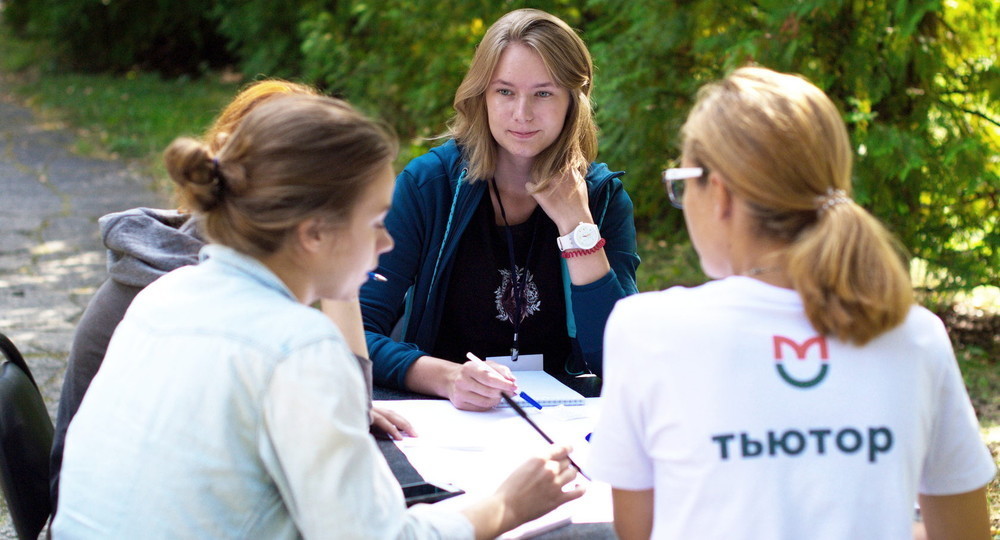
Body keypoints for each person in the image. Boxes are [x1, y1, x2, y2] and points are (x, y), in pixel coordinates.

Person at [53, 94, 585, 538]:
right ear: (313, 234)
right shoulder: (297, 347)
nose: (387, 241)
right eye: (375, 222)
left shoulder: (168, 294)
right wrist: (507, 505)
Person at [587, 66, 996, 539]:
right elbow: (964, 533)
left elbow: (639, 531)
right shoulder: (914, 333)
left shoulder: (647, 329)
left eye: (682, 182)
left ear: (718, 193)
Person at [48, 79, 412, 513]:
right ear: (308, 220)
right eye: (374, 221)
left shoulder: (190, 283)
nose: (387, 241)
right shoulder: (213, 298)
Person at [361, 8, 639, 410]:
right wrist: (446, 377)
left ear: (571, 102)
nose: (522, 113)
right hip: (445, 414)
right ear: (482, 97)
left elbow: (625, 362)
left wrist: (578, 228)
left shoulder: (602, 197)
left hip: (562, 420)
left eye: (543, 93)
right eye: (504, 92)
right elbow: (356, 332)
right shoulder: (430, 185)